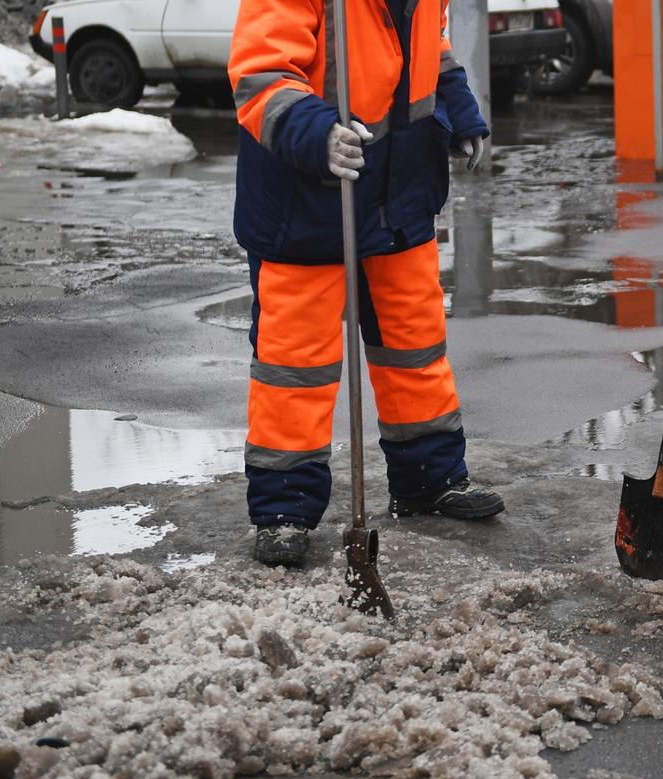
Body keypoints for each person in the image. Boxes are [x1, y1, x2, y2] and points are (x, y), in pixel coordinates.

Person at [229, 0, 505, 565]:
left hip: (399, 193)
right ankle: (284, 509)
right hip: (305, 199)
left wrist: (460, 111)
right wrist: (317, 134)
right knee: (295, 363)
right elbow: (261, 75)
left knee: (414, 344)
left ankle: (429, 478)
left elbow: (430, 49)